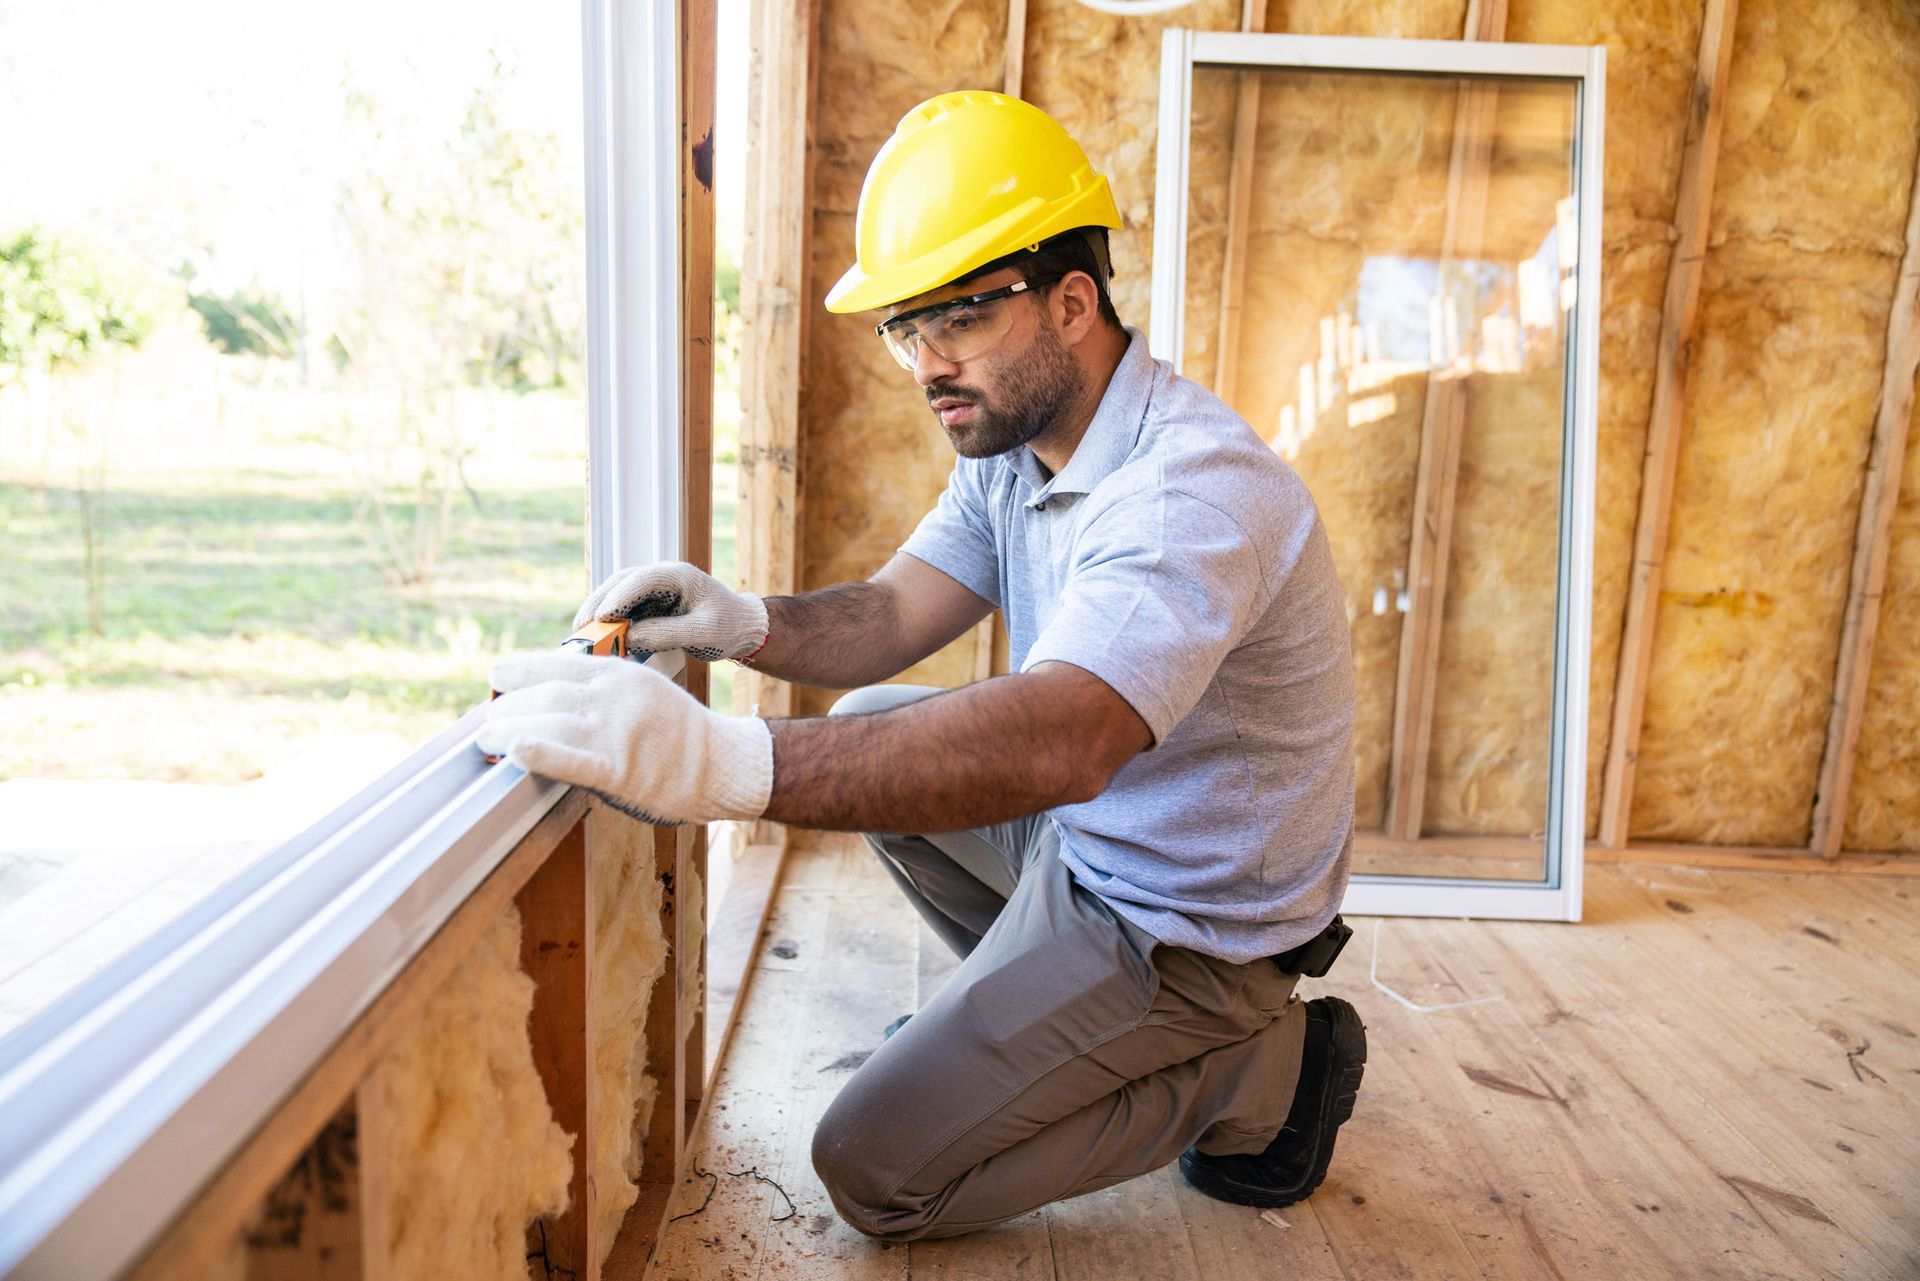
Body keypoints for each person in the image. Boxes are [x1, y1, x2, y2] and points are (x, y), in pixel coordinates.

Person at [479, 90, 1364, 1241]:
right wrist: (736, 620)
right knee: (880, 713)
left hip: (1191, 928)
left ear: (1073, 302)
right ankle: (1041, 1046)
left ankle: (1268, 1069)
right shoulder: (1019, 439)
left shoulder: (1184, 493)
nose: (924, 365)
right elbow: (894, 611)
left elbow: (1063, 740)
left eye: (956, 320)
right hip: (1102, 851)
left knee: (876, 1170)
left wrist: (719, 763)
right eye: (906, 328)